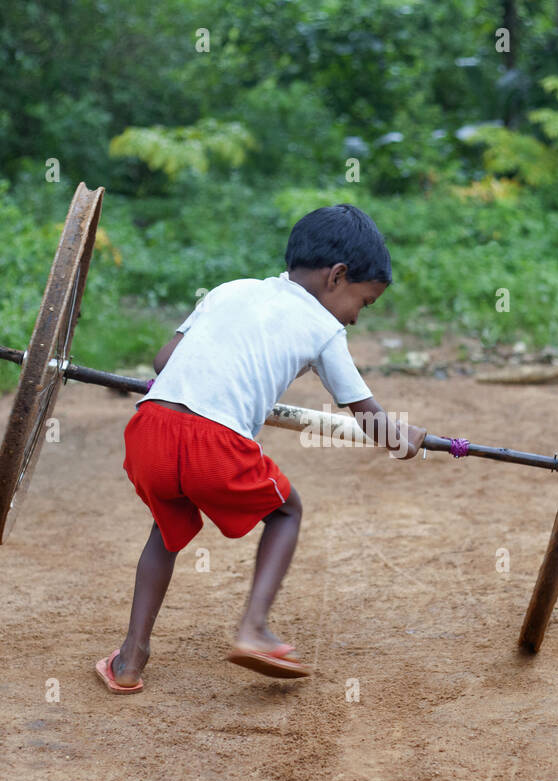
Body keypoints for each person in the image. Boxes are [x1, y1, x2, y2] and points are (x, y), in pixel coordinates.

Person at [95, 204, 427, 693]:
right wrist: (407, 436)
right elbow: (372, 421)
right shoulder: (325, 329)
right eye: (365, 302)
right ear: (337, 276)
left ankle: (130, 660)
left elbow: (164, 359)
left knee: (163, 532)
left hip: (150, 430)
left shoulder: (232, 290)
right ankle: (253, 628)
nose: (357, 318)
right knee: (286, 511)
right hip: (216, 443)